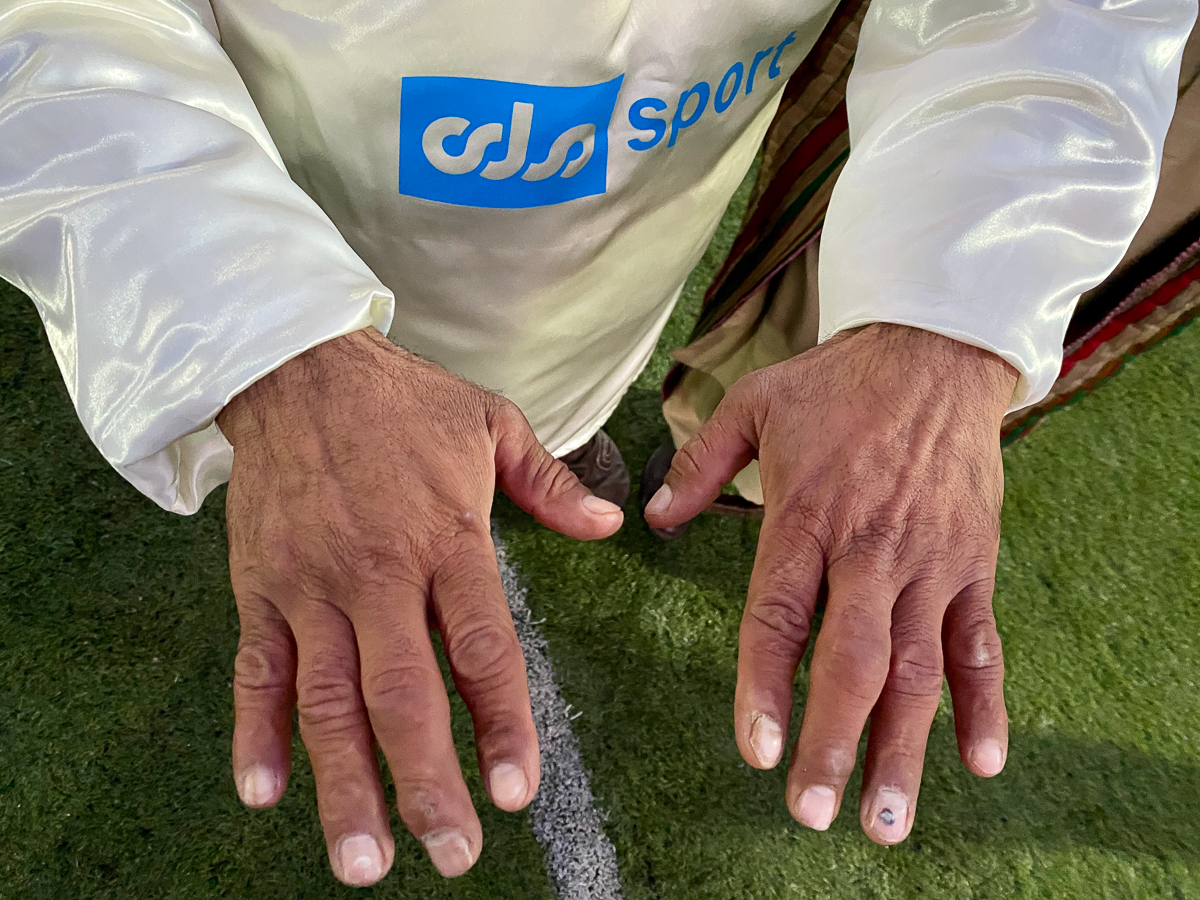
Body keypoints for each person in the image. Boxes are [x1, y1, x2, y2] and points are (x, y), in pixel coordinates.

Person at [0, 0, 1194, 888]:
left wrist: (951, 321)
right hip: (318, 156)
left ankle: (555, 435)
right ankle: (356, 439)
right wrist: (265, 345)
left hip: (672, 143)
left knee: (578, 332)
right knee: (346, 429)